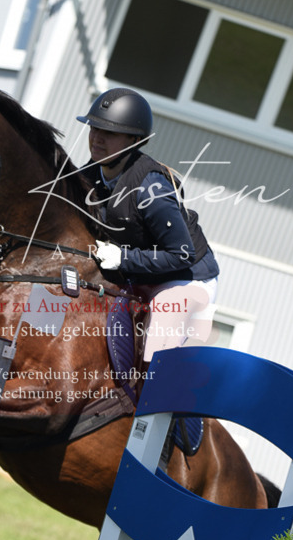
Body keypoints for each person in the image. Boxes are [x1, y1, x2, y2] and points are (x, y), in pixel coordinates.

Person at [78, 88, 219, 363]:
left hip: (185, 278)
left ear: (134, 140)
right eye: (95, 128)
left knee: (153, 354)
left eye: (110, 132)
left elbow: (181, 255)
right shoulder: (87, 176)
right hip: (137, 274)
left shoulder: (151, 188)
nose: (97, 138)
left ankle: (153, 404)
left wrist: (123, 258)